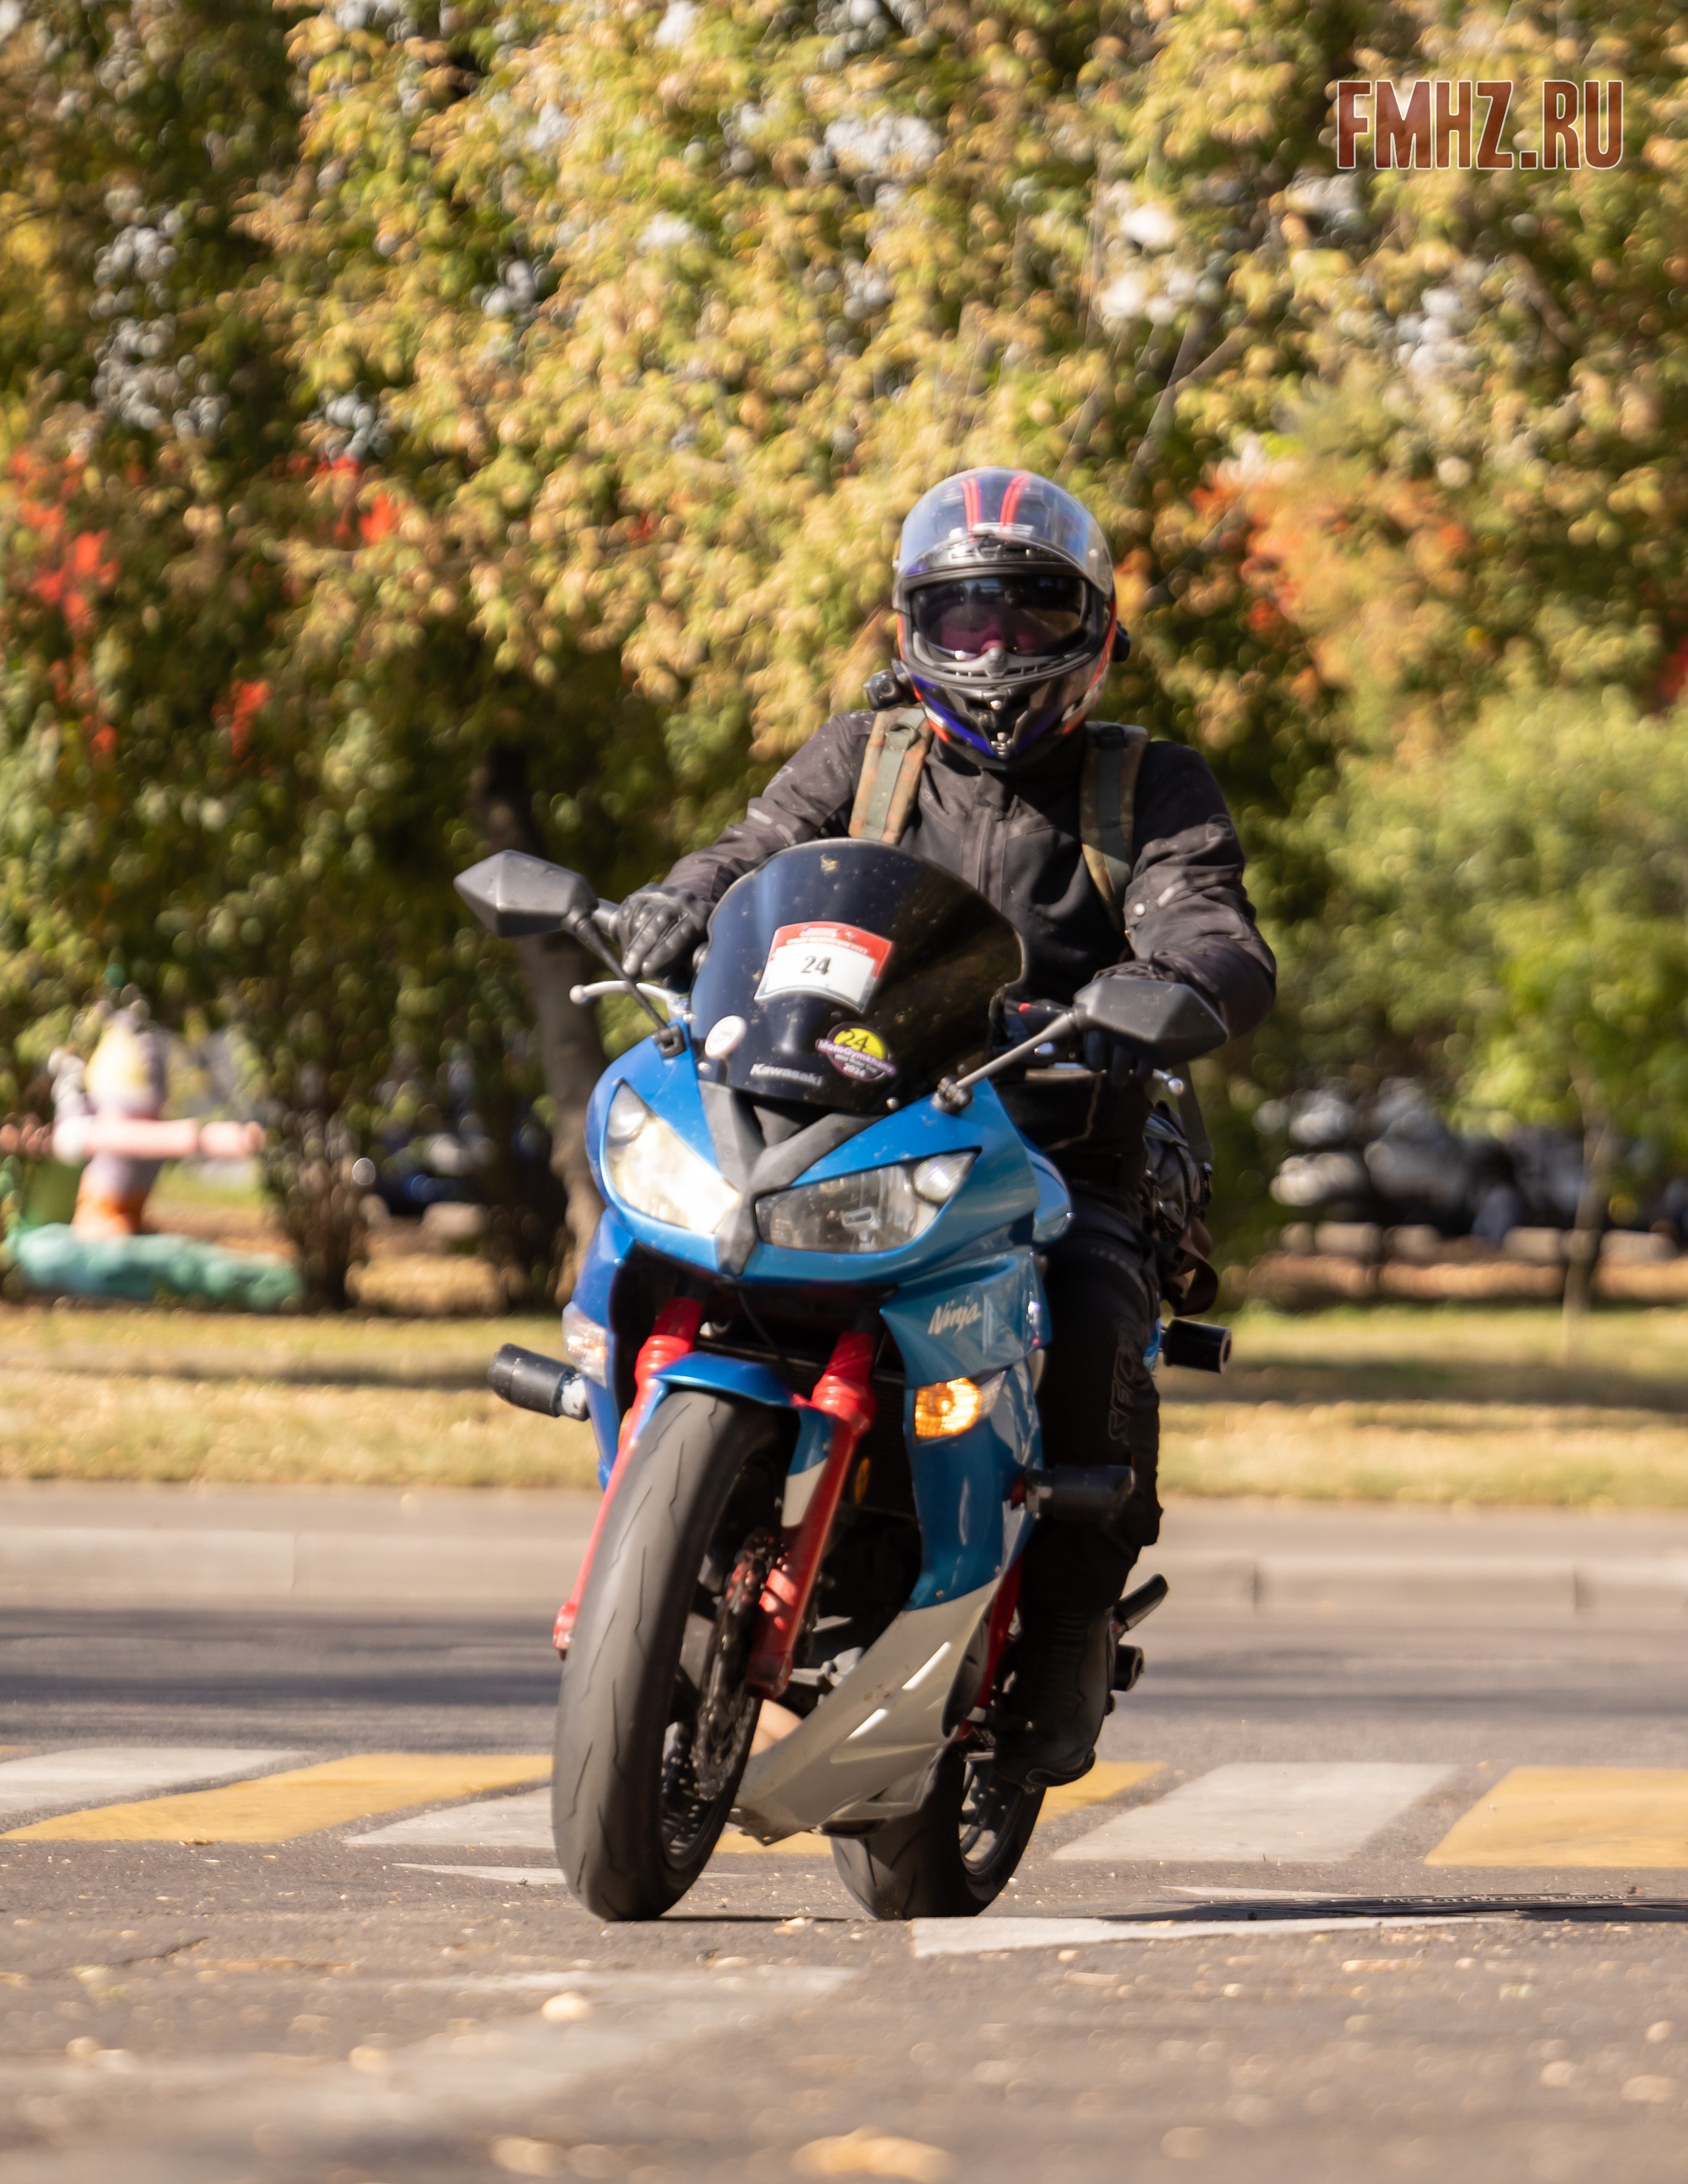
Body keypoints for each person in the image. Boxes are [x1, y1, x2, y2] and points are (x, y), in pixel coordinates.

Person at [613, 467, 1276, 1788]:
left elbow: (1206, 915)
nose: (990, 651)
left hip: (1047, 1138)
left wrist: (1180, 980)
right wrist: (674, 904)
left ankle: (1067, 1630)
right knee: (676, 1226)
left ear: (1090, 632)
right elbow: (750, 854)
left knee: (1092, 1309)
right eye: (961, 617)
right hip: (846, 1113)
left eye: (1027, 617)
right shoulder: (859, 757)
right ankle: (653, 1485)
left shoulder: (1147, 782)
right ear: (910, 622)